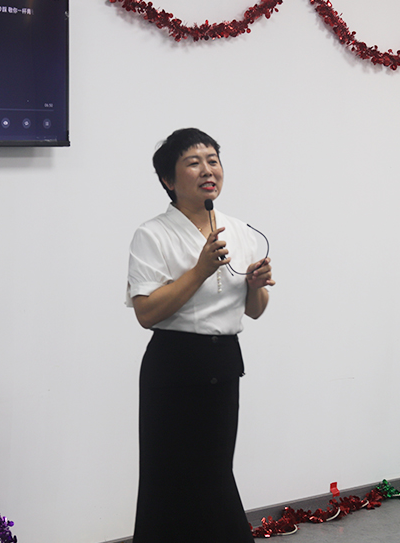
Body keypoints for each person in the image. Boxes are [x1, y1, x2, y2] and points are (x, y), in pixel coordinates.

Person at [126, 128, 274, 543]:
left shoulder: (239, 230)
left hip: (223, 364)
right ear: (168, 180)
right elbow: (146, 312)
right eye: (194, 163)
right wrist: (200, 270)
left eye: (213, 160)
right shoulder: (152, 234)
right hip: (174, 366)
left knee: (214, 474)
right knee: (168, 479)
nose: (208, 170)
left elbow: (255, 309)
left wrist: (256, 284)